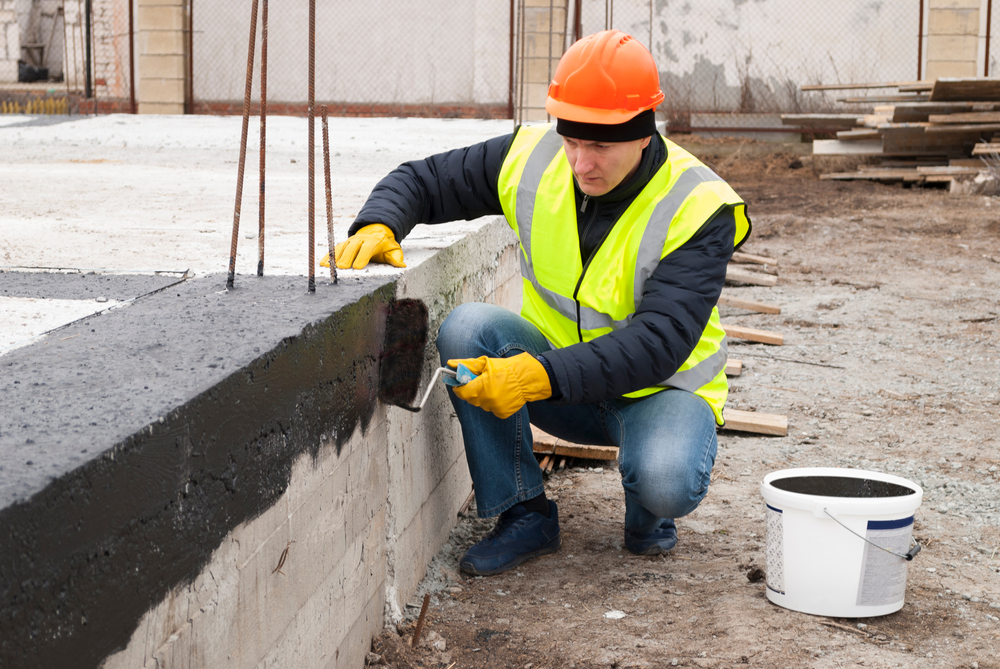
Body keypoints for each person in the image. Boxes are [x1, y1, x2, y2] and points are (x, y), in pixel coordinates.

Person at [322, 30, 751, 576]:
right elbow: (423, 179)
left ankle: (647, 510)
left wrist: (533, 378)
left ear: (644, 135)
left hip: (657, 393)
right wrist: (381, 219)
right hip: (567, 387)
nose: (581, 162)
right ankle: (524, 514)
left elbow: (657, 344)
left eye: (601, 146)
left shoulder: (698, 204)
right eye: (572, 140)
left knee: (666, 478)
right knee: (468, 328)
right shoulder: (532, 158)